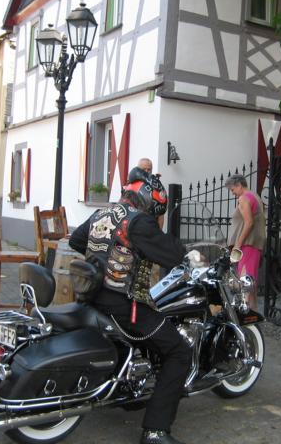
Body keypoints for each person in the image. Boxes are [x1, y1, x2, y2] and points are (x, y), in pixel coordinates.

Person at [70, 170, 191, 444]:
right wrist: (190, 255)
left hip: (93, 299)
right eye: (156, 212)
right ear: (147, 200)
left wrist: (103, 256)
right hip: (125, 306)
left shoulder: (102, 214)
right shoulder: (139, 222)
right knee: (179, 352)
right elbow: (172, 253)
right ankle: (156, 431)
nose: (155, 217)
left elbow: (77, 240)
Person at [225, 174, 266, 311]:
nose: (232, 193)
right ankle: (255, 316)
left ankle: (244, 316)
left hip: (247, 245)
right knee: (250, 283)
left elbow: (249, 223)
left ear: (239, 185)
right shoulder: (255, 196)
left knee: (245, 284)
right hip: (255, 244)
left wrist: (237, 245)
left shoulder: (244, 198)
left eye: (232, 189)